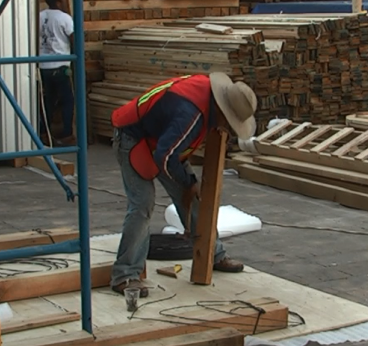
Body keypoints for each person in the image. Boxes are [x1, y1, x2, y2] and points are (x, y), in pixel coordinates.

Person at [109, 72, 258, 297]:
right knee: (142, 204)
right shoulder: (190, 114)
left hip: (160, 141)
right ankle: (125, 275)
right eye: (229, 121)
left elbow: (170, 149)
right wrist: (188, 184)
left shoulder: (207, 100)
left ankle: (212, 254)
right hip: (133, 137)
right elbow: (166, 158)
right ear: (221, 108)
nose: (228, 127)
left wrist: (189, 188)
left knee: (195, 199)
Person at [38, 0, 75, 145]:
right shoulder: (64, 18)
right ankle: (67, 134)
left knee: (48, 100)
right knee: (68, 100)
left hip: (43, 66)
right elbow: (74, 39)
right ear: (60, 0)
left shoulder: (39, 16)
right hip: (61, 65)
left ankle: (44, 132)